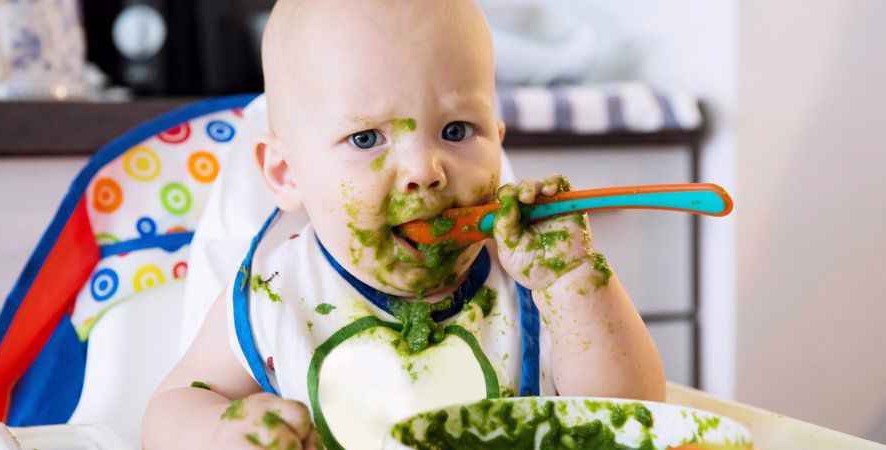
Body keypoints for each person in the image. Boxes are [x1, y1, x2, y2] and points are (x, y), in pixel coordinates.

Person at [142, 0, 665, 448]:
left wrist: (573, 282)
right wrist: (220, 433)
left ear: (497, 142)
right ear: (286, 174)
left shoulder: (533, 283)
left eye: (457, 130)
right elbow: (170, 409)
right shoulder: (277, 293)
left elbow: (635, 415)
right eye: (367, 138)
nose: (424, 171)